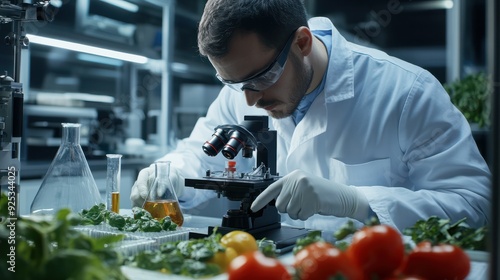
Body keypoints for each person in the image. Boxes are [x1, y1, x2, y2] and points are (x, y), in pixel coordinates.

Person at [131, 0, 491, 232]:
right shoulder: (243, 90)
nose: (250, 100)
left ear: (302, 42)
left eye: (261, 78)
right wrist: (171, 174)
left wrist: (357, 202)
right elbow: (198, 150)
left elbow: (475, 205)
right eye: (231, 82)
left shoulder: (407, 92)